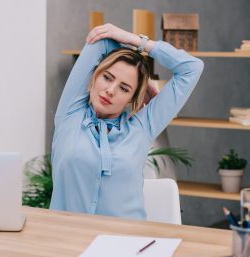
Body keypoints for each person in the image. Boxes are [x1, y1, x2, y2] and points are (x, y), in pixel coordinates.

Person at [50, 24, 204, 220]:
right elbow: (99, 41)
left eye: (124, 88)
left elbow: (192, 68)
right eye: (107, 77)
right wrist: (138, 69)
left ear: (133, 98)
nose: (111, 90)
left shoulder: (142, 127)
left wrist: (138, 42)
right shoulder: (70, 114)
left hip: (125, 242)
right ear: (95, 76)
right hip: (66, 241)